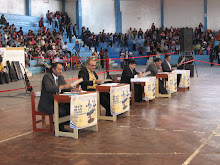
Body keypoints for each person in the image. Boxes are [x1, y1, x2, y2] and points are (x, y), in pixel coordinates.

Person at [38, 62, 74, 132]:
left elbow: (66, 87)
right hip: (47, 103)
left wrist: (73, 89)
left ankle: (63, 123)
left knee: (69, 106)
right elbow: (49, 88)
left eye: (61, 70)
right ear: (53, 69)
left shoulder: (61, 77)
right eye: (59, 69)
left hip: (57, 101)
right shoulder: (47, 77)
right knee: (61, 111)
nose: (61, 71)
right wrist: (62, 87)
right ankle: (60, 129)